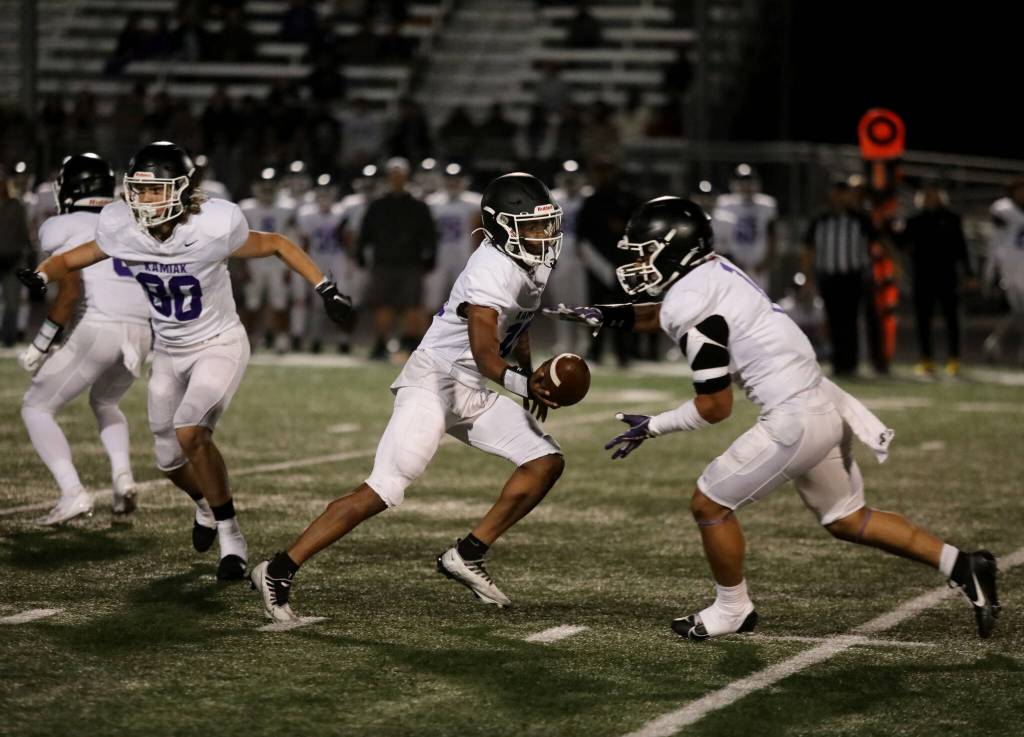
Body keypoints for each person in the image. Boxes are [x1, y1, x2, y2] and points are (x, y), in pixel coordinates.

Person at [549, 196, 1000, 640]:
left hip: (795, 416)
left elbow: (714, 408)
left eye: (646, 252)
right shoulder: (713, 269)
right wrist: (608, 317)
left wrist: (654, 425)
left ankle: (733, 608)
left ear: (674, 249)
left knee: (710, 503)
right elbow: (666, 315)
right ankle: (962, 564)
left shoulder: (689, 299)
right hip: (821, 403)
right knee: (848, 518)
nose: (639, 263)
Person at [19, 141, 353, 580]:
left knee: (191, 429)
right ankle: (204, 506)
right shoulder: (124, 227)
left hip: (218, 342)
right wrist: (44, 273)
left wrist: (325, 288)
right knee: (168, 459)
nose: (143, 199)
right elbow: (82, 255)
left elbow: (274, 243)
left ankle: (232, 536)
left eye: (155, 190)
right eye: (137, 189)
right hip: (168, 350)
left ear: (180, 190)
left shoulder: (212, 226)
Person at [249, 173, 565, 623]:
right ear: (500, 226)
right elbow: (483, 351)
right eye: (532, 227)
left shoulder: (531, 260)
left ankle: (466, 553)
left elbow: (520, 320)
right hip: (435, 381)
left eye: (546, 225)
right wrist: (522, 383)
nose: (543, 236)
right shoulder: (490, 268)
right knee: (385, 487)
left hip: (469, 387)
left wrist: (530, 370)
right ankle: (278, 569)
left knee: (545, 461)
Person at [19, 154, 152, 525]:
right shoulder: (129, 218)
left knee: (36, 406)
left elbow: (70, 290)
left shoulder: (59, 225)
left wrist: (41, 344)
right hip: (142, 331)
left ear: (70, 188)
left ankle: (72, 492)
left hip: (102, 325)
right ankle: (123, 478)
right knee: (106, 401)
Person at [358, 157, 437, 359]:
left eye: (400, 175)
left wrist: (430, 256)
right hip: (384, 261)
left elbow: (430, 234)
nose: (397, 179)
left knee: (412, 305)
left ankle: (410, 342)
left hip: (410, 262)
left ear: (406, 176)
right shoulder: (377, 206)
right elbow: (365, 233)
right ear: (387, 177)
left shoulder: (418, 206)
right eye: (393, 175)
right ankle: (381, 342)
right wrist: (360, 252)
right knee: (383, 305)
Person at [895, 183, 973, 377]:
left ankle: (954, 359)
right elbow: (901, 245)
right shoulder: (914, 220)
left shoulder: (951, 218)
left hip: (947, 276)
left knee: (952, 319)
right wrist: (893, 228)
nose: (930, 197)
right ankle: (926, 359)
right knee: (923, 320)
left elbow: (961, 248)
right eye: (927, 194)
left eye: (934, 194)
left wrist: (969, 273)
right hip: (922, 276)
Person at [800, 179, 875, 377]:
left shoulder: (860, 218)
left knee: (850, 320)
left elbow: (877, 243)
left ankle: (851, 363)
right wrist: (807, 276)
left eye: (843, 192)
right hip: (829, 276)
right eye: (836, 192)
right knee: (833, 320)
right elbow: (808, 249)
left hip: (853, 276)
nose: (839, 197)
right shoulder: (820, 219)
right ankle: (838, 363)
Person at [238, 166, 296, 352]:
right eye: (264, 188)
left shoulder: (287, 207)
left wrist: (289, 266)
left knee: (280, 303)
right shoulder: (246, 207)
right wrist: (242, 264)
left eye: (270, 188)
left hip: (277, 262)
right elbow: (239, 239)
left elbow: (291, 239)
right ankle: (249, 338)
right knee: (251, 303)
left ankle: (282, 339)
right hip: (254, 261)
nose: (267, 192)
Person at [424, 163, 482, 311]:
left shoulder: (475, 202)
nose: (453, 183)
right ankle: (431, 332)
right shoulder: (431, 202)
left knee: (465, 302)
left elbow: (482, 233)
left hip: (465, 257)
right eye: (449, 179)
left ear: (465, 180)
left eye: (456, 179)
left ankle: (464, 334)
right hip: (439, 258)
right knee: (432, 300)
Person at [713, 164, 778, 294]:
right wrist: (730, 260)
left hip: (758, 264)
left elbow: (772, 234)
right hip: (732, 262)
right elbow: (721, 237)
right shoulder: (724, 203)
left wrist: (768, 260)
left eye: (749, 182)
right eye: (742, 182)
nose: (746, 186)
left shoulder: (766, 204)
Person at [982, 177, 1024, 365]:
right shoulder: (1004, 208)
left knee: (1019, 311)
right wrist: (990, 272)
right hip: (1011, 267)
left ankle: (994, 343)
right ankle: (994, 343)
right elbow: (995, 241)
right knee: (1019, 310)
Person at [0, 165, 33, 346]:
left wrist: (28, 257)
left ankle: (9, 337)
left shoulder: (17, 205)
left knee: (12, 302)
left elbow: (24, 233)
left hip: (13, 259)